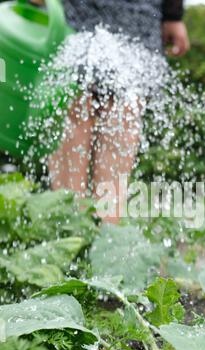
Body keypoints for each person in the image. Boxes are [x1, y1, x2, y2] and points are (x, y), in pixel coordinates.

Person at [34, 0, 190, 223]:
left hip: (139, 8)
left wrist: (173, 14)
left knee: (124, 108)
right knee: (76, 99)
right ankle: (68, 220)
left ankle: (107, 227)